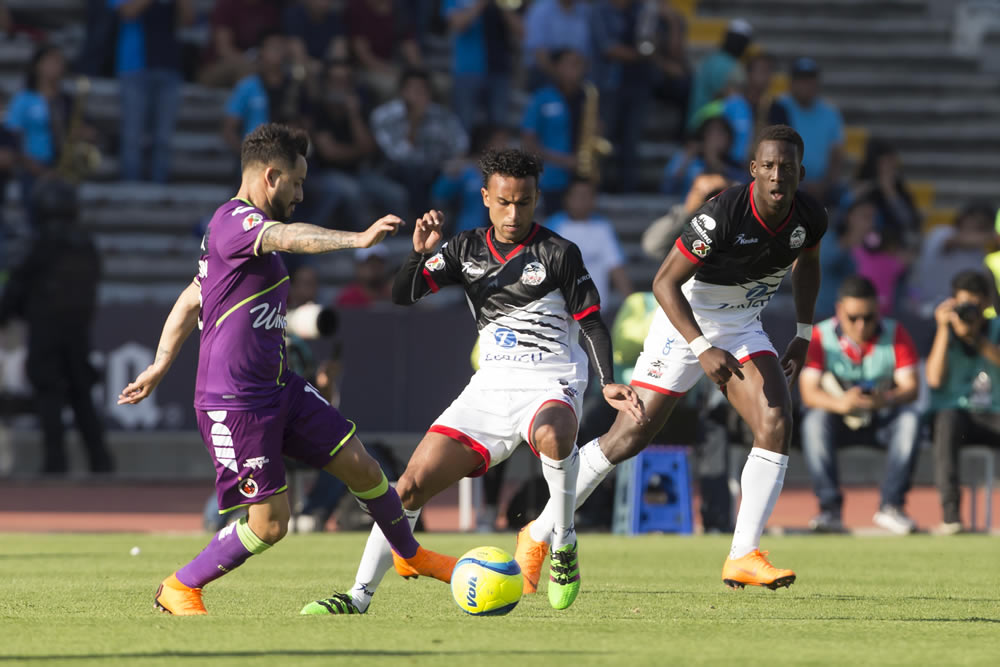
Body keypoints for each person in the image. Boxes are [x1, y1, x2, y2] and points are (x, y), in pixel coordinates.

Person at [117, 123, 454, 616]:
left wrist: (160, 362)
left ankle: (408, 554)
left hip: (280, 389)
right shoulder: (237, 222)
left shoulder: (231, 239)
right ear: (271, 176)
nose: (301, 194)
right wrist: (357, 239)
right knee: (271, 524)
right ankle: (179, 586)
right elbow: (290, 235)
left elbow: (192, 298)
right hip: (235, 404)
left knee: (363, 466)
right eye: (296, 183)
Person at [301, 148, 644, 615]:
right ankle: (357, 597)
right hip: (490, 387)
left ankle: (562, 542)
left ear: (536, 199)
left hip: (551, 381)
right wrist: (417, 254)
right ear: (486, 198)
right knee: (407, 489)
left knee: (553, 435)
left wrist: (606, 382)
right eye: (504, 201)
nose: (513, 212)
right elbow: (404, 295)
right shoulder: (465, 249)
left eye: (523, 202)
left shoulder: (560, 253)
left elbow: (592, 322)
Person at [516, 125, 826, 591]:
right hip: (685, 321)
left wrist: (803, 332)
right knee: (628, 437)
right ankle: (538, 532)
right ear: (754, 170)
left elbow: (809, 263)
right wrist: (701, 348)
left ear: (800, 172)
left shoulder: (810, 216)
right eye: (770, 166)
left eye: (787, 167)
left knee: (777, 419)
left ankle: (743, 554)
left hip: (742, 326)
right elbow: (663, 282)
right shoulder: (723, 214)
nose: (778, 175)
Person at [0, 178, 112, 475]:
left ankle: (55, 464)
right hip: (77, 332)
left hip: (46, 333)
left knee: (49, 397)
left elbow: (16, 288)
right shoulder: (85, 245)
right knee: (82, 396)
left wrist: (8, 313)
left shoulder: (39, 246)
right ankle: (101, 462)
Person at [797, 276, 921, 535]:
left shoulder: (896, 334)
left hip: (881, 419)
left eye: (869, 317)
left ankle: (892, 506)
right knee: (814, 421)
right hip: (837, 420)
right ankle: (829, 510)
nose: (862, 325)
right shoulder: (820, 336)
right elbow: (808, 393)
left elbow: (910, 387)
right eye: (853, 318)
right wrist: (841, 404)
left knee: (910, 420)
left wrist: (885, 399)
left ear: (879, 310)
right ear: (839, 310)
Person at [925, 270, 1000, 535]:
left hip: (993, 413)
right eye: (964, 305)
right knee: (946, 421)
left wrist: (977, 338)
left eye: (977, 306)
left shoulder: (996, 327)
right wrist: (945, 330)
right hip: (956, 415)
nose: (970, 312)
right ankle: (951, 517)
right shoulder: (944, 331)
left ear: (988, 304)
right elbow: (934, 379)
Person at [110, 0, 193, 183]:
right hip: (134, 66)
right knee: (133, 134)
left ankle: (159, 185)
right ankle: (130, 187)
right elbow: (127, 12)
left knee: (163, 137)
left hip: (169, 67)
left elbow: (188, 20)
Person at [370, 68, 468, 219]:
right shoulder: (385, 116)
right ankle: (418, 221)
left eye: (423, 90)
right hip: (394, 171)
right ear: (402, 91)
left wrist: (455, 163)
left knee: (461, 176)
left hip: (435, 170)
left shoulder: (441, 115)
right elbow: (398, 155)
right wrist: (415, 121)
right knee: (413, 171)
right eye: (413, 89)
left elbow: (460, 144)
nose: (418, 95)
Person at [769, 57, 844, 206]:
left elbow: (836, 155)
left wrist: (824, 184)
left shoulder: (830, 113)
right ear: (791, 83)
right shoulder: (779, 108)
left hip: (824, 186)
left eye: (810, 80)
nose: (806, 86)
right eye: (801, 80)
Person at [520, 48, 587, 216]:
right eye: (571, 64)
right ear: (557, 68)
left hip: (581, 177)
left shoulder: (586, 97)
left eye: (579, 64)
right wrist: (564, 161)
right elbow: (528, 142)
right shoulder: (542, 98)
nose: (576, 69)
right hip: (550, 178)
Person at [545, 177, 633, 304]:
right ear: (567, 199)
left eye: (588, 196)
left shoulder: (602, 227)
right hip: (561, 311)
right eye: (579, 196)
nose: (583, 200)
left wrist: (632, 302)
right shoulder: (554, 226)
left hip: (596, 311)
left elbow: (616, 267)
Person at [443, 0, 521, 132]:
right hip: (467, 71)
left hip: (499, 70)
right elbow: (458, 24)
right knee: (464, 127)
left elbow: (521, 30)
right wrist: (481, 4)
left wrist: (502, 8)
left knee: (499, 128)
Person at [198, 0, 283, 88]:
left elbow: (274, 42)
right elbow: (224, 50)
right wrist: (250, 62)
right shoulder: (227, 5)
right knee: (246, 70)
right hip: (217, 65)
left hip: (258, 62)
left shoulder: (270, 8)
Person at [686, 18, 752, 130]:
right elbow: (725, 98)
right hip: (708, 127)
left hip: (699, 123)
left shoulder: (711, 59)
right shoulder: (730, 65)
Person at [522, 0, 592, 90]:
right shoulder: (540, 9)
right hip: (545, 71)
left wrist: (576, 73)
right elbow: (538, 51)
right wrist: (560, 76)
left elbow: (588, 51)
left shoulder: (586, 11)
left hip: (577, 71)